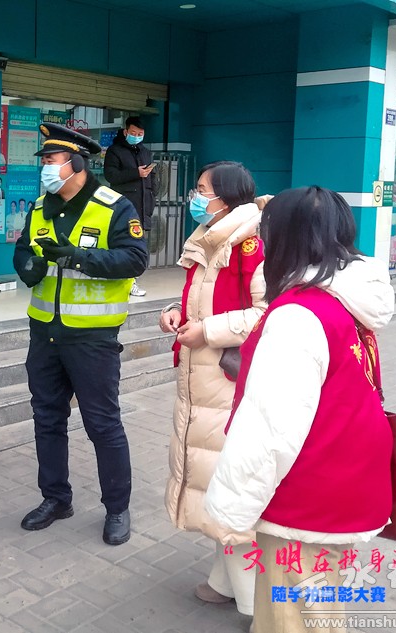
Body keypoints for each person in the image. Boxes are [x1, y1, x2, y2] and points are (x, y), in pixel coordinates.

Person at [205, 186, 395, 633]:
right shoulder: (348, 300)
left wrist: (231, 508)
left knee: (296, 616)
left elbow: (270, 429)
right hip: (348, 475)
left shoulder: (298, 315)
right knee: (321, 604)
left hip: (308, 492)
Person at [14, 122, 148, 545]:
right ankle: (55, 498)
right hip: (44, 334)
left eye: (52, 161)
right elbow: (24, 249)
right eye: (44, 161)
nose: (46, 168)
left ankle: (117, 508)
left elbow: (135, 259)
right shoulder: (40, 207)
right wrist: (28, 267)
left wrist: (78, 258)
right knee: (47, 419)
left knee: (102, 425)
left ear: (75, 164)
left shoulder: (114, 206)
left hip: (92, 339)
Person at [159, 161, 266, 618]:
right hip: (200, 381)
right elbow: (202, 302)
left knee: (230, 490)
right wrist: (176, 312)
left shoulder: (250, 245)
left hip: (227, 383)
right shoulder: (210, 237)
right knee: (212, 484)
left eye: (202, 189)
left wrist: (207, 331)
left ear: (226, 196)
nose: (194, 197)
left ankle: (260, 608)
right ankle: (226, 581)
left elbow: (267, 311)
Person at [103, 115, 160, 297]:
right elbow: (111, 176)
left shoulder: (145, 152)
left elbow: (152, 176)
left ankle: (131, 280)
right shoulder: (115, 151)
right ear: (126, 131)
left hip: (143, 208)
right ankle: (127, 282)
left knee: (138, 247)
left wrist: (152, 195)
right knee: (124, 245)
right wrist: (136, 173)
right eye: (133, 133)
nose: (136, 136)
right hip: (124, 208)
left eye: (140, 134)